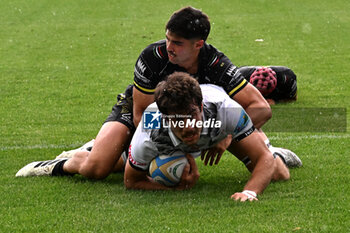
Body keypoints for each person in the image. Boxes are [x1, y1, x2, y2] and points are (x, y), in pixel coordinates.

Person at [16, 6, 301, 182]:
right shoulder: (152, 58)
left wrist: (225, 136)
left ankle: (269, 151)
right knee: (97, 169)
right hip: (145, 112)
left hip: (201, 119)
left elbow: (261, 108)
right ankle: (66, 160)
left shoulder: (216, 64)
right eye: (167, 39)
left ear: (199, 44)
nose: (169, 47)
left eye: (177, 43)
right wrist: (179, 148)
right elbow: (141, 115)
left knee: (274, 173)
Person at [124, 72, 295, 201]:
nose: (189, 126)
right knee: (120, 164)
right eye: (178, 120)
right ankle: (124, 154)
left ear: (200, 105)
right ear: (165, 118)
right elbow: (131, 181)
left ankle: (269, 146)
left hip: (219, 130)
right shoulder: (151, 129)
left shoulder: (225, 109)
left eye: (192, 114)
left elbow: (264, 159)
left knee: (279, 174)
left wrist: (249, 192)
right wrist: (174, 189)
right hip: (169, 144)